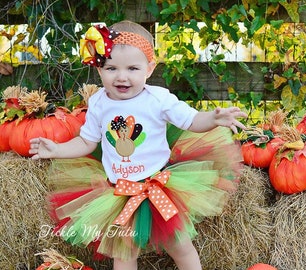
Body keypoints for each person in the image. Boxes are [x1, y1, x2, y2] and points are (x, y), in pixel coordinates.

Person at [29, 20, 247, 270]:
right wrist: (57, 149)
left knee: (180, 244)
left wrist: (213, 119)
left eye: (133, 68)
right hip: (118, 192)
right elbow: (87, 141)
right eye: (111, 68)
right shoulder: (99, 102)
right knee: (123, 253)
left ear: (149, 68)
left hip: (160, 186)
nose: (122, 77)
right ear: (99, 69)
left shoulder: (158, 99)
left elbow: (191, 121)